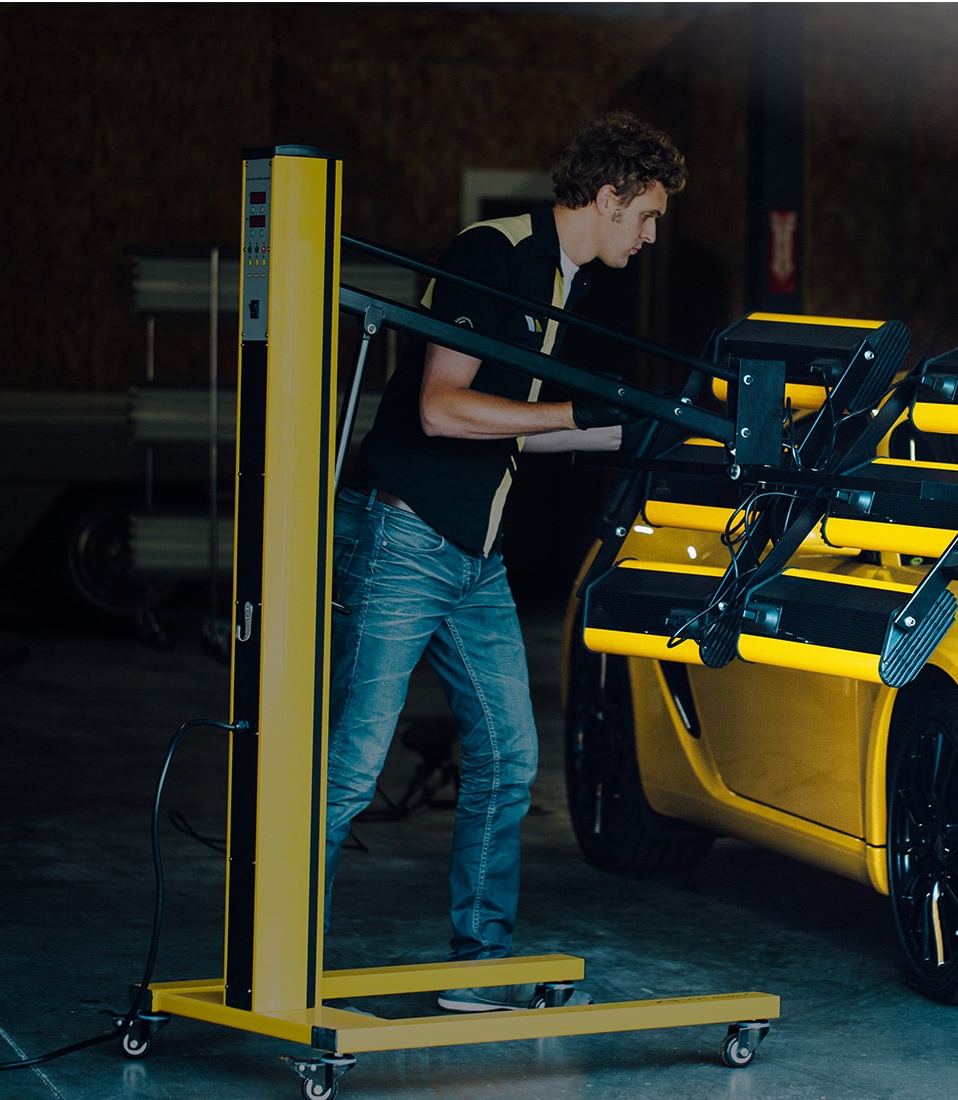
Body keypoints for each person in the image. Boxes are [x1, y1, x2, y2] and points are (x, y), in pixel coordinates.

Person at [325, 110, 688, 1013]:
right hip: (405, 536)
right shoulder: (493, 253)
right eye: (644, 217)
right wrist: (576, 416)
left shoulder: (567, 281)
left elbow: (514, 431)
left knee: (510, 756)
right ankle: (274, 953)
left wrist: (625, 428)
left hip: (473, 556)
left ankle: (480, 965)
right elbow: (444, 411)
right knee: (352, 763)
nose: (648, 238)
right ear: (606, 199)